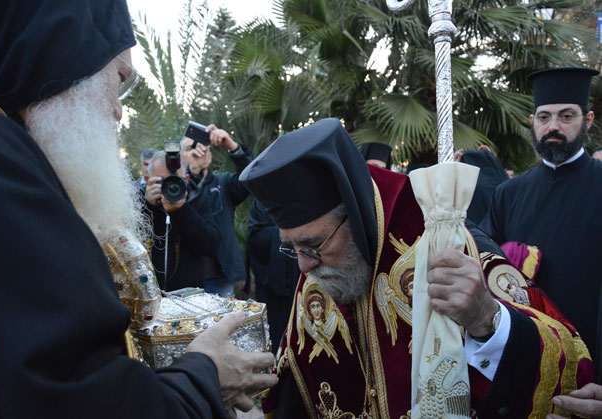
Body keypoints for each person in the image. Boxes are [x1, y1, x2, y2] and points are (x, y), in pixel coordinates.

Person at [0, 1, 276, 417]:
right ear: (66, 57)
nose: (118, 110)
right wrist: (202, 379)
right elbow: (75, 399)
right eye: (119, 79)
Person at [239, 118, 594, 418]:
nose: (304, 267)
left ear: (358, 219)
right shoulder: (313, 271)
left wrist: (487, 319)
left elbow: (566, 354)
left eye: (313, 246)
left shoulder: (445, 240)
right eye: (292, 247)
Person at [481, 68, 602, 388]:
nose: (553, 127)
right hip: (524, 358)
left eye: (566, 117)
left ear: (587, 120)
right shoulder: (508, 193)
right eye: (545, 117)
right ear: (533, 120)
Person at [181, 125, 251, 296]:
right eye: (190, 148)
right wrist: (192, 173)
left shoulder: (224, 184)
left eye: (202, 147)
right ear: (180, 156)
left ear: (210, 156)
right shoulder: (175, 189)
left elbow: (250, 177)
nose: (197, 152)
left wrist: (232, 146)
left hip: (221, 278)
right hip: (187, 278)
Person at [143, 151, 221, 290]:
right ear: (148, 179)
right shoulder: (139, 201)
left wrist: (182, 210)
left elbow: (211, 247)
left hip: (189, 296)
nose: (169, 186)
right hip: (150, 293)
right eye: (161, 181)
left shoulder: (197, 198)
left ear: (186, 178)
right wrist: (148, 206)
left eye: (174, 180)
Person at [248, 199, 300, 352]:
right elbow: (254, 238)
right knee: (275, 339)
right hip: (273, 284)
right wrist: (285, 232)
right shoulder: (263, 198)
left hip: (302, 278)